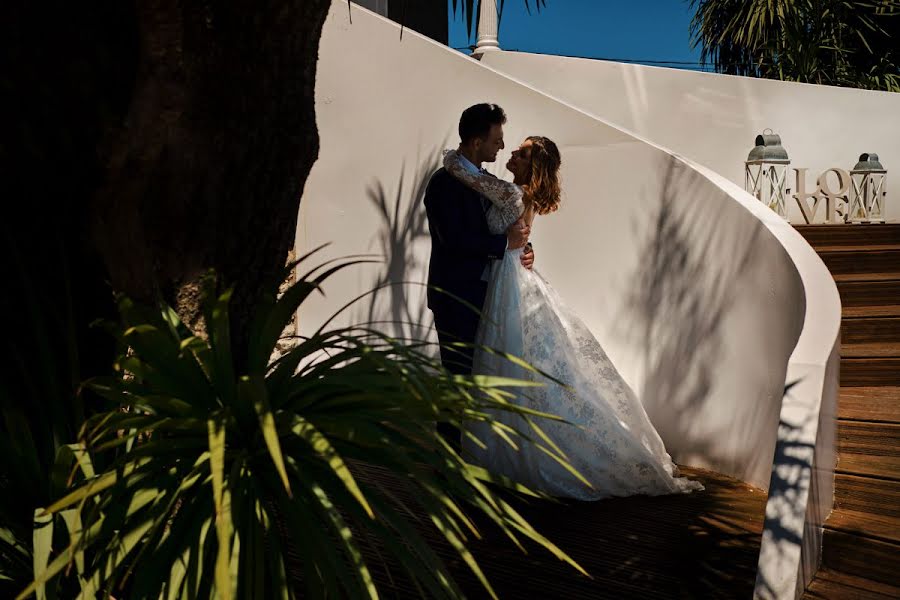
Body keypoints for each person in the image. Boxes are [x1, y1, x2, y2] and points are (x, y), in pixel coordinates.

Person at [442, 135, 703, 500]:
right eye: (514, 149)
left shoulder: (513, 193)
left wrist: (453, 159)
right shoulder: (518, 193)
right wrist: (525, 246)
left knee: (515, 357)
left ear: (534, 165)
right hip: (507, 274)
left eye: (522, 152)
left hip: (509, 278)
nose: (513, 153)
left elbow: (473, 180)